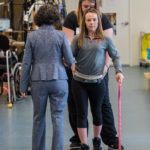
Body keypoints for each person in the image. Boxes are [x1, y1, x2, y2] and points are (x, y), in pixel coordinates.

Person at [62, 0, 124, 149]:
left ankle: (102, 139)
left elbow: (114, 54)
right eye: (88, 19)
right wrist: (70, 63)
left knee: (100, 110)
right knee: (79, 112)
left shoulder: (104, 35)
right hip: (79, 79)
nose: (91, 22)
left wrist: (116, 70)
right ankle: (82, 142)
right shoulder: (76, 31)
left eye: (94, 19)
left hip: (98, 79)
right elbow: (69, 52)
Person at [20, 5, 75, 150]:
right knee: (58, 118)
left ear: (38, 19)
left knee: (38, 118)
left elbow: (26, 64)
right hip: (59, 80)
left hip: (38, 81)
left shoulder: (31, 36)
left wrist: (23, 86)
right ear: (55, 19)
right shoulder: (61, 35)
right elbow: (70, 61)